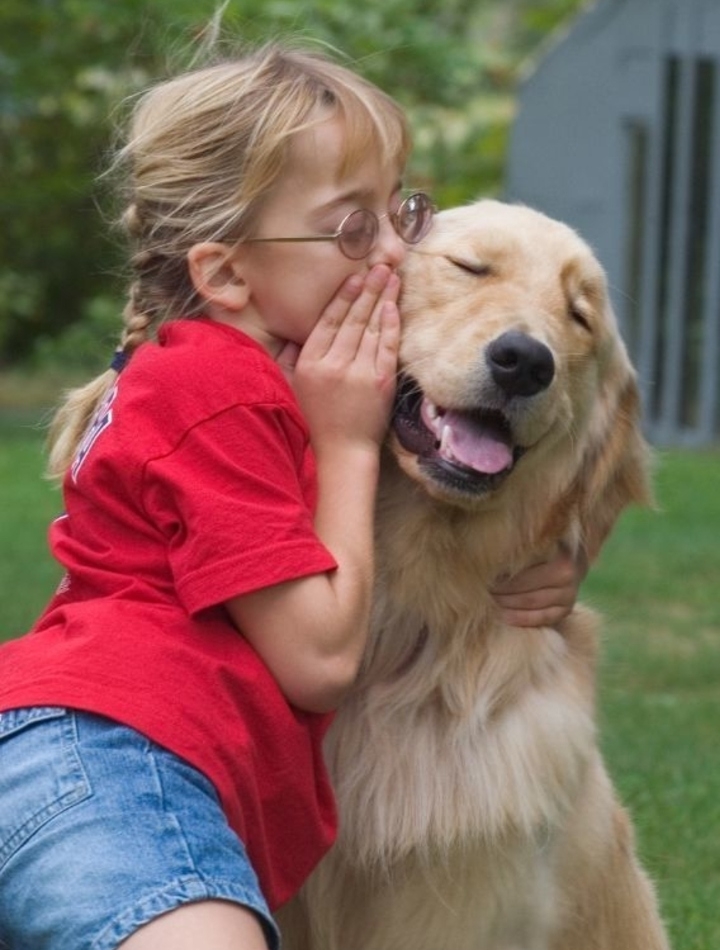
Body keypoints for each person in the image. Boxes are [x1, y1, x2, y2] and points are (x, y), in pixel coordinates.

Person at [0, 40, 585, 950]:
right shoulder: (220, 392)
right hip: (118, 759)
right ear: (227, 273)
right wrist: (347, 441)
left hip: (87, 752)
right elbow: (315, 660)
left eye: (402, 213)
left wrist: (564, 562)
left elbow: (496, 472)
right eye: (356, 229)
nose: (400, 252)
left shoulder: (241, 365)